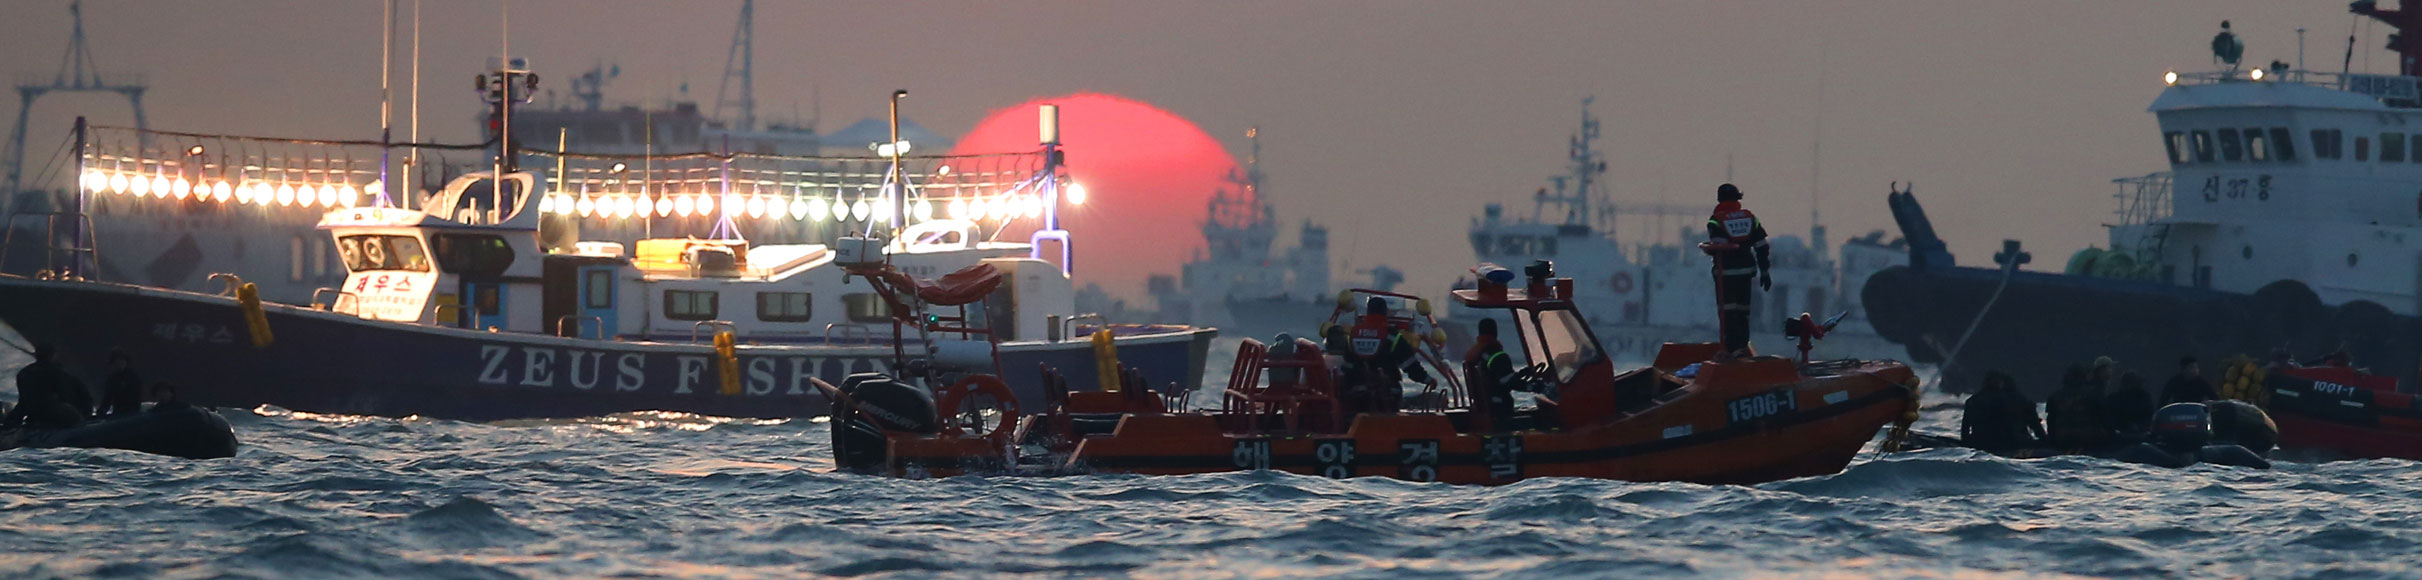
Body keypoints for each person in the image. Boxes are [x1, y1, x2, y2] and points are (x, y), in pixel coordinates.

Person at [1702, 183, 1772, 358]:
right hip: (1746, 272)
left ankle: (1730, 349)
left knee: (1727, 311)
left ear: (1719, 199)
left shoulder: (1716, 220)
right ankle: (1742, 346)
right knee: (1743, 310)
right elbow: (1762, 246)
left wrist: (1708, 249)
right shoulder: (1750, 218)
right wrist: (1764, 271)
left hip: (1726, 274)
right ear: (1738, 198)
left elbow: (1719, 246)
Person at [1346, 297, 1433, 415]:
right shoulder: (1393, 337)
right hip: (1388, 395)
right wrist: (1428, 380)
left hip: (1356, 395)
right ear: (1385, 312)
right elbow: (1411, 366)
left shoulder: (1353, 335)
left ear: (1368, 312)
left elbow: (1346, 366)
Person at [1961, 371, 2044, 452]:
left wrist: (1966, 443)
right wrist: (2045, 441)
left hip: (1980, 443)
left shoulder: (1972, 401)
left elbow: (1965, 430)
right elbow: (2036, 426)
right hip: (2014, 443)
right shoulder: (2021, 401)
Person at [4, 344, 83, 429]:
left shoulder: (23, 373)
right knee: (76, 418)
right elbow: (65, 394)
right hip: (50, 409)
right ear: (52, 355)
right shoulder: (55, 371)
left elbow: (23, 397)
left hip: (28, 410)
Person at [1463, 318, 1520, 432]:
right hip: (1501, 410)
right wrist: (1534, 386)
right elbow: (1510, 382)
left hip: (1488, 406)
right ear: (1495, 332)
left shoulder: (1478, 355)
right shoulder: (1499, 357)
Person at [2044, 364, 2108, 452]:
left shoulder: (2054, 396)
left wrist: (2051, 441)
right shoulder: (2094, 395)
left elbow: (2050, 422)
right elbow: (2104, 420)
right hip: (2090, 438)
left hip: (2062, 438)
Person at [2106, 371, 2157, 436]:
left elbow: (2149, 416)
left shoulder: (2143, 397)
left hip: (2139, 434)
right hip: (2120, 435)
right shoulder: (2113, 398)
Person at [98, 349, 145, 418]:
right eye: (116, 362)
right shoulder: (111, 379)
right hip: (118, 413)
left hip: (132, 413)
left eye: (121, 361)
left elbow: (137, 396)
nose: (119, 364)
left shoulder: (133, 377)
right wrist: (101, 411)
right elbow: (107, 398)